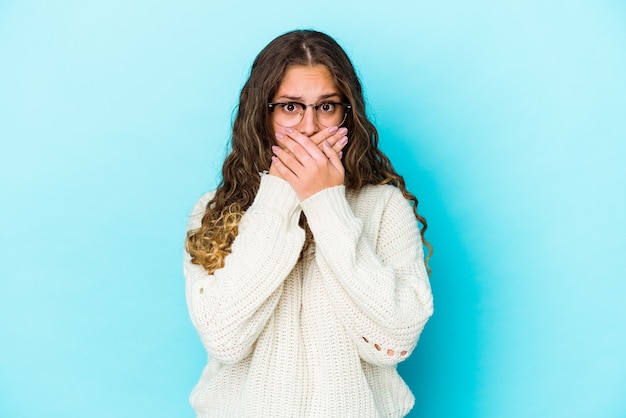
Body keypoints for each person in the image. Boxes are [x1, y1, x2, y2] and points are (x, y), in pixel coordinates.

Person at [184, 29, 434, 417]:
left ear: (347, 114)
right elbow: (223, 339)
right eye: (289, 107)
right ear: (262, 115)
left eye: (326, 106)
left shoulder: (384, 206)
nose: (308, 127)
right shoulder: (213, 210)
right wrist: (281, 194)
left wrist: (326, 203)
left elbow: (394, 341)